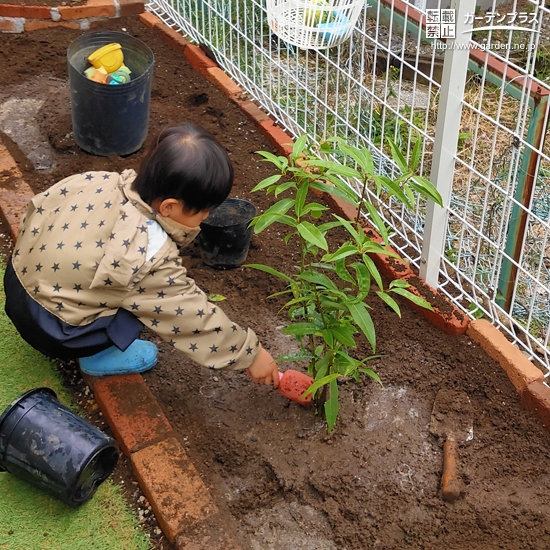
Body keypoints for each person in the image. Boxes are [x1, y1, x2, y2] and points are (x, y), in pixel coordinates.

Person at [4, 122, 279, 387]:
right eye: (204, 211)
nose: (206, 217)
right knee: (145, 302)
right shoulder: (143, 255)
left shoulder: (99, 181)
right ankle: (96, 356)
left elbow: (38, 209)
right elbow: (188, 315)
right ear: (170, 207)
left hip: (17, 281)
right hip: (54, 329)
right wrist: (250, 354)